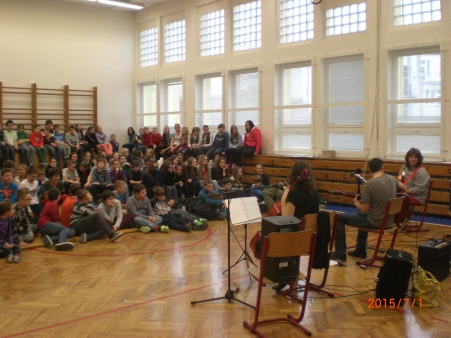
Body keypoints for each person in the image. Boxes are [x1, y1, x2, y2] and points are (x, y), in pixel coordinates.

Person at [331, 158, 407, 261]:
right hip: (389, 222)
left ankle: (340, 253)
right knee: (363, 216)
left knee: (338, 217)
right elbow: (404, 188)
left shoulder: (370, 184)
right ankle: (360, 250)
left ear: (370, 170)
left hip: (376, 222)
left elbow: (364, 210)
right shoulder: (391, 179)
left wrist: (356, 204)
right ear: (382, 167)